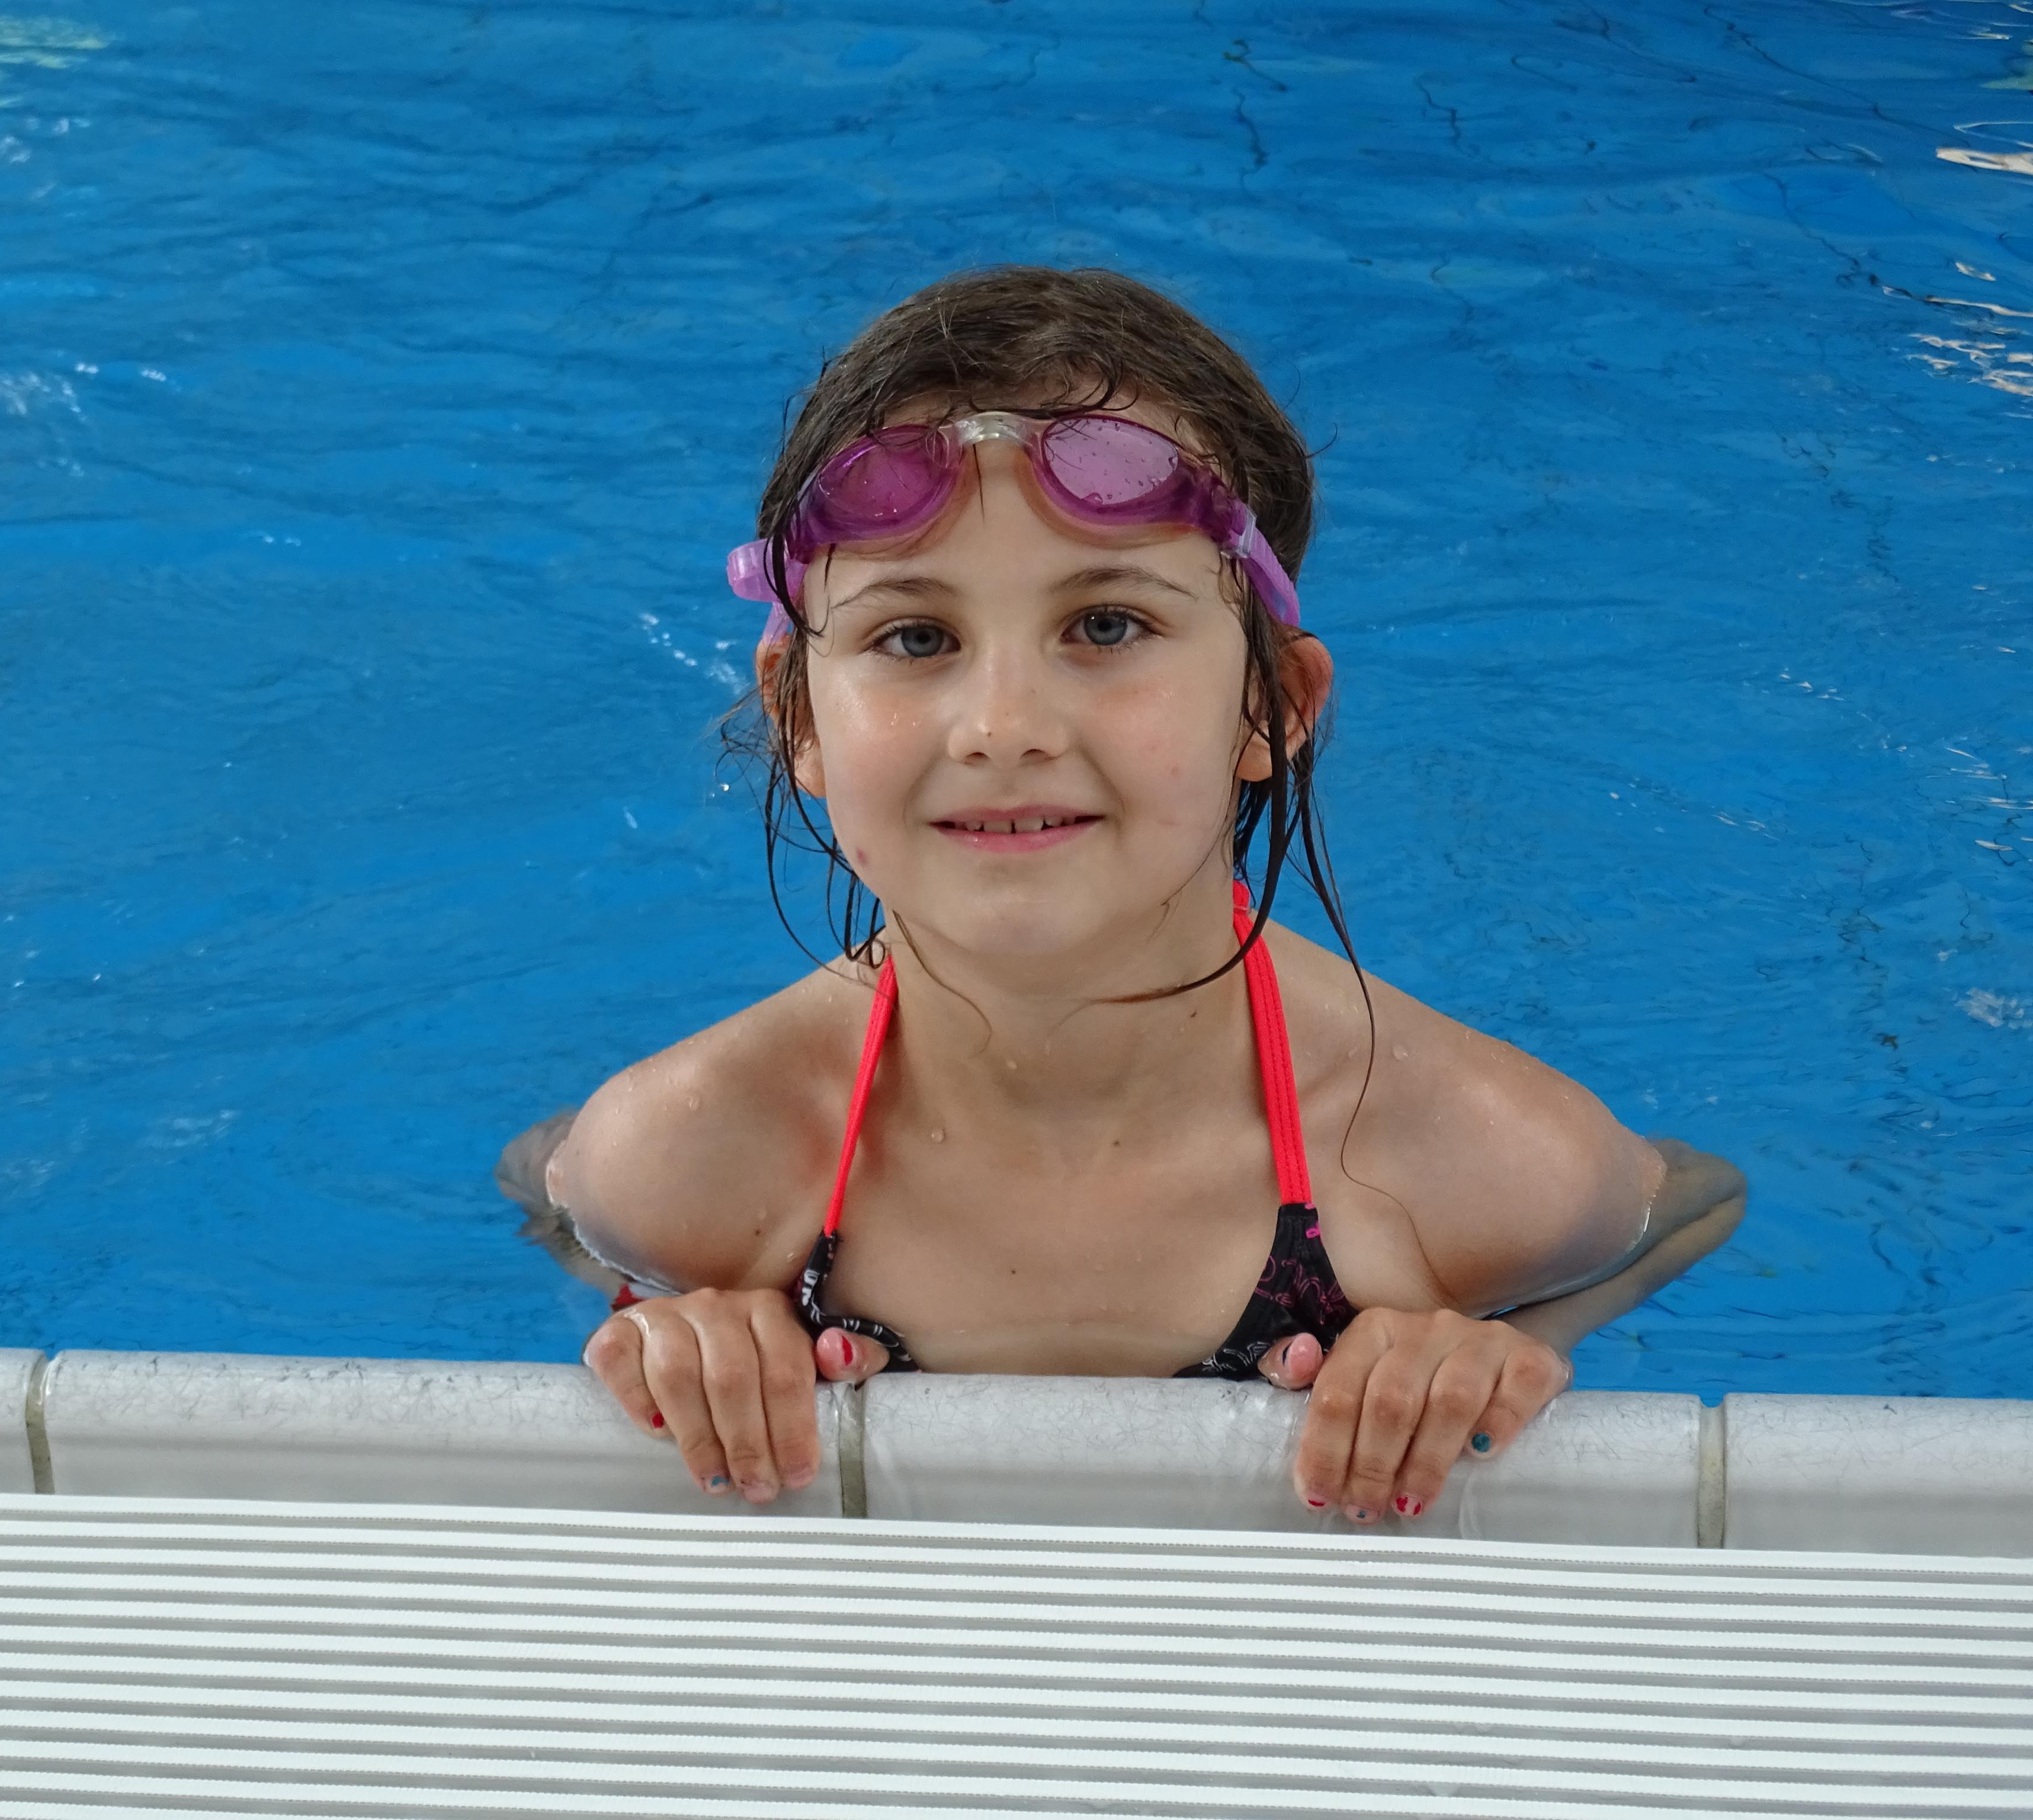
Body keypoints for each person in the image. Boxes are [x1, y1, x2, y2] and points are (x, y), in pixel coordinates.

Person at [503, 266, 1745, 1526]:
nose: (1003, 728)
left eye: (1104, 626)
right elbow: (541, 1183)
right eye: (914, 637)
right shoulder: (699, 1153)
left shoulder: (1454, 1155)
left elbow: (1690, 1204)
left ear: (1271, 706)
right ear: (798, 719)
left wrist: (1509, 1347)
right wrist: (665, 1322)